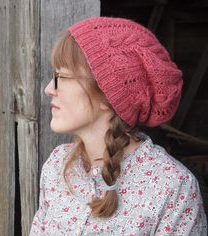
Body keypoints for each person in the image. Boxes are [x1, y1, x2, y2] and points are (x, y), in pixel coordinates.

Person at [30, 17, 207, 235]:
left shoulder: (172, 186)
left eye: (63, 77)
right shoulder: (58, 166)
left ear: (107, 96)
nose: (49, 88)